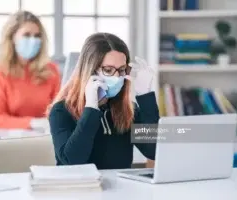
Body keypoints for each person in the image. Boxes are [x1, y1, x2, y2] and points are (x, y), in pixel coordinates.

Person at [48, 32, 159, 169]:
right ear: (90, 71)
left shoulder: (128, 110)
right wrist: (91, 109)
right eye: (108, 70)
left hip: (121, 188)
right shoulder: (61, 110)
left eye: (122, 69)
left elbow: (154, 151)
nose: (117, 77)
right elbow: (72, 162)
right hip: (79, 188)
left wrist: (145, 96)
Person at [0, 11, 61, 131]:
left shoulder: (51, 70)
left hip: (45, 138)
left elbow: (59, 111)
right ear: (12, 37)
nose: (33, 40)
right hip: (9, 140)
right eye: (26, 35)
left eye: (37, 36)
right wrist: (33, 123)